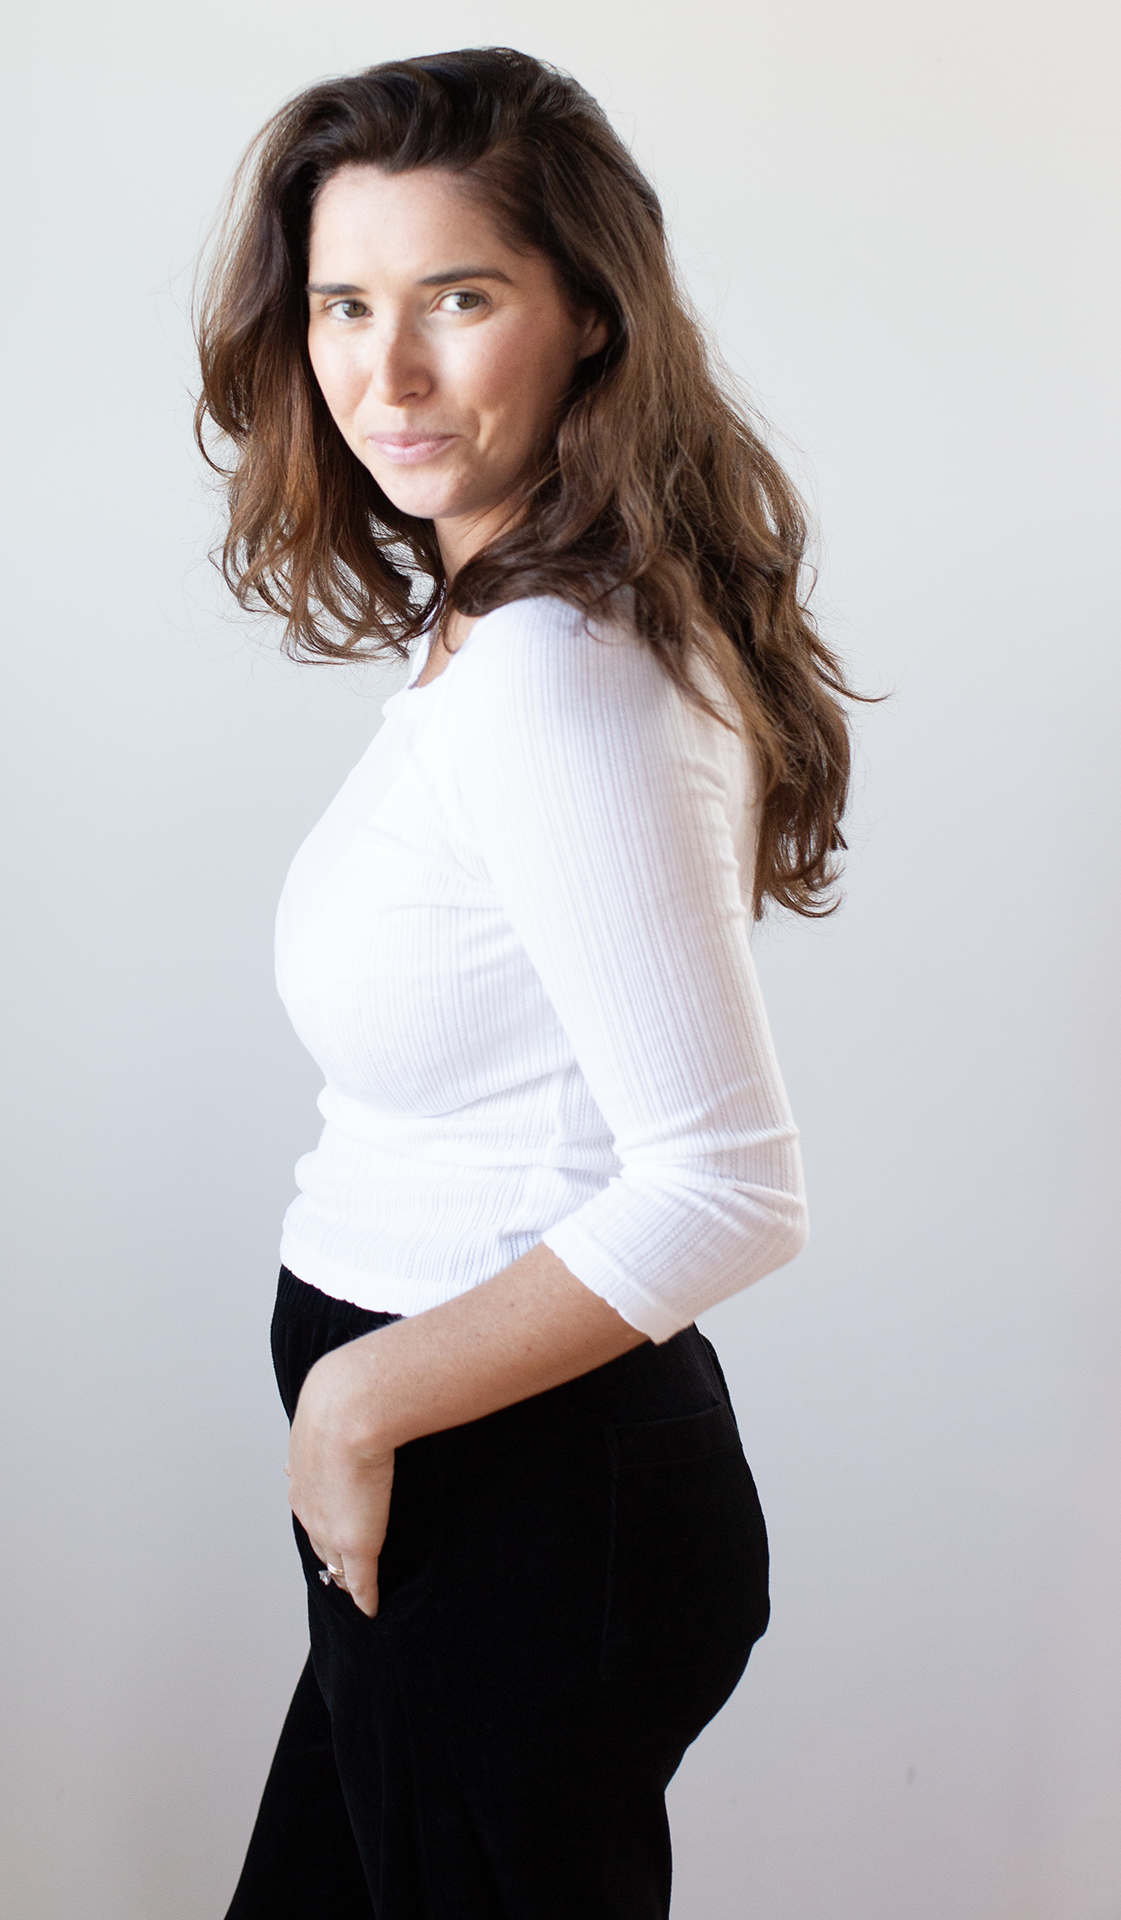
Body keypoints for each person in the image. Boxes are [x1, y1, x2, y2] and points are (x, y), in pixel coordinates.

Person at [195, 45, 856, 1920]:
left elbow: (729, 1186)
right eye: (344, 304)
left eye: (459, 298)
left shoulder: (556, 674)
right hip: (475, 1485)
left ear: (590, 316)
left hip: (516, 1499)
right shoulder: (500, 630)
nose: (385, 373)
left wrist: (356, 1407)